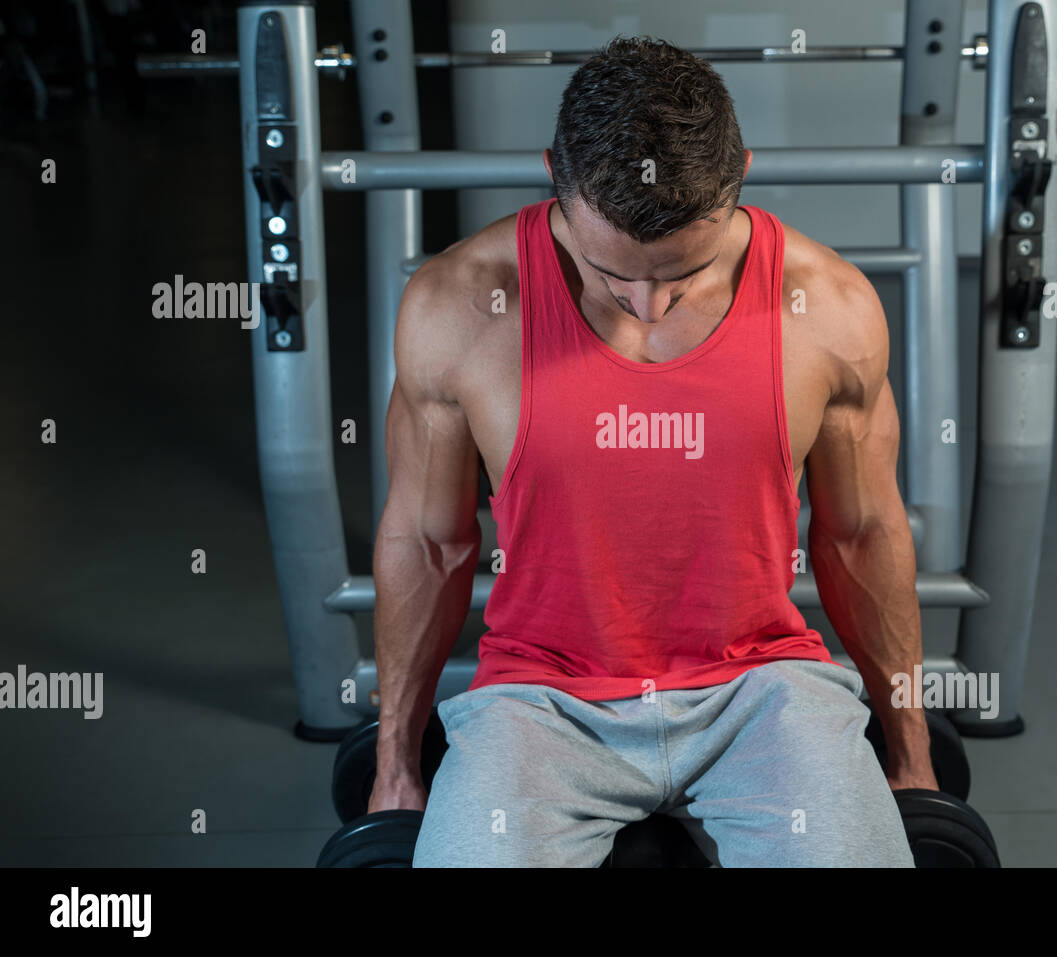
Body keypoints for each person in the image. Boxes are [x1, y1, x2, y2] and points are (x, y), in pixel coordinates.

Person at [370, 35, 935, 867]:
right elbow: (428, 541)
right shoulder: (458, 306)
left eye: (681, 273)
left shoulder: (826, 307)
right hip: (541, 700)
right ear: (554, 178)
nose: (647, 304)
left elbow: (861, 534)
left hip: (760, 690)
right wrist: (395, 768)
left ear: (739, 177)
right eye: (612, 273)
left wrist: (912, 760)